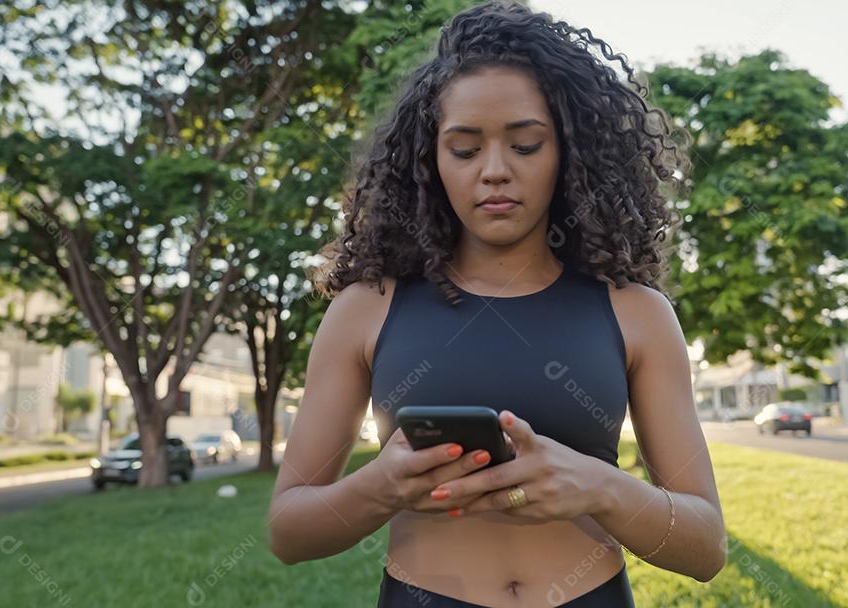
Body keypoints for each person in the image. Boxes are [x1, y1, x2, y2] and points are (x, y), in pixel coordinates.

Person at [268, 1, 726, 605]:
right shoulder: (365, 309)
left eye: (526, 145)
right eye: (463, 149)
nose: (494, 172)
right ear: (430, 161)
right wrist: (382, 486)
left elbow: (706, 548)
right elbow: (288, 532)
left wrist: (601, 489)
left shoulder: (635, 311)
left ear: (569, 154)